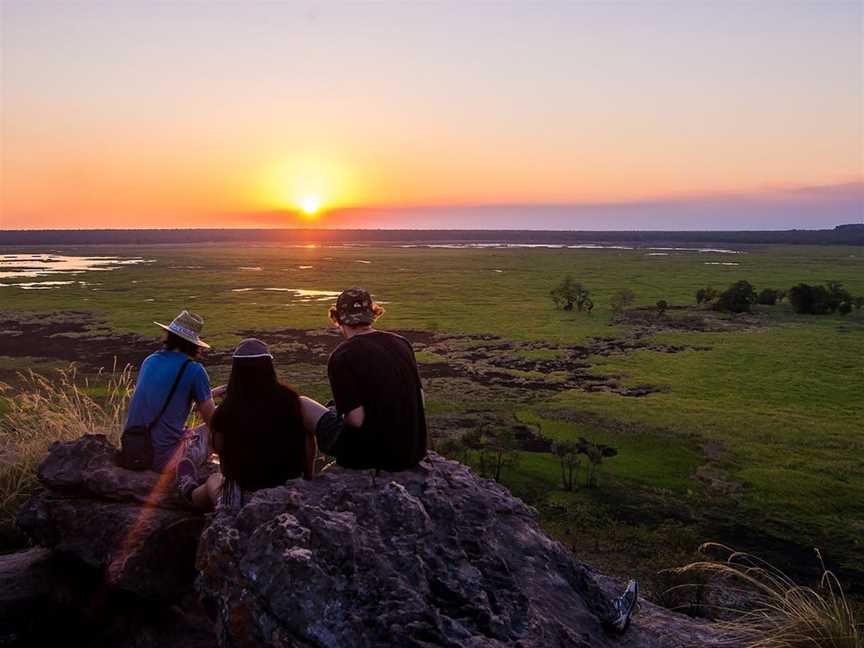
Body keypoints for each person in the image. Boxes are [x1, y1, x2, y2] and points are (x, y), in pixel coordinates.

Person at [182, 338, 331, 510]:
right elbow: (309, 442)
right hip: (291, 488)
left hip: (245, 498)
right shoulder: (292, 402)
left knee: (214, 481)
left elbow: (223, 456)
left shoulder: (226, 412)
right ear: (269, 367)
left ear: (235, 371)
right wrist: (308, 476)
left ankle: (189, 492)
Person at [314, 288, 427, 472]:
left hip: (369, 456)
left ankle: (306, 478)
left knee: (304, 405)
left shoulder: (342, 355)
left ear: (337, 318)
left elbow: (356, 420)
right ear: (373, 314)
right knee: (334, 406)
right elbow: (420, 399)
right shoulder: (402, 343)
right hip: (412, 451)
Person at [123, 311, 220, 489]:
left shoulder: (150, 360)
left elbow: (169, 400)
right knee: (212, 430)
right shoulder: (194, 370)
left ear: (170, 335)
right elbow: (213, 421)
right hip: (163, 459)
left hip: (135, 450)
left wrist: (211, 393)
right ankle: (230, 476)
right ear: (193, 344)